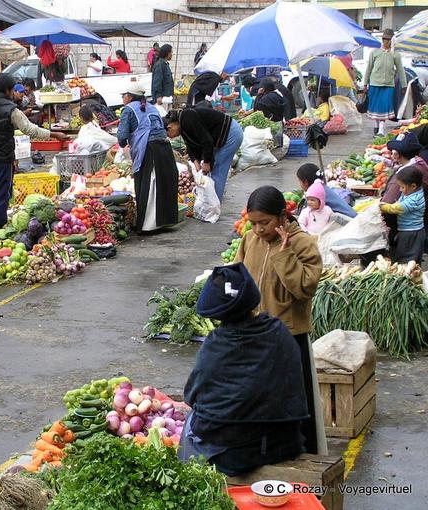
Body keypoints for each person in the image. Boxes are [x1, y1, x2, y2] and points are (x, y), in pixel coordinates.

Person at [179, 263, 308, 476]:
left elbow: (192, 396)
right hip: (283, 444)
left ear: (217, 315)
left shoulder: (215, 345)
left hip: (234, 456)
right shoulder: (279, 333)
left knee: (191, 424)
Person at [235, 186, 323, 454]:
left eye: (266, 222)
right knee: (257, 398)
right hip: (253, 332)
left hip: (288, 335)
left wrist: (284, 254)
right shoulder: (250, 240)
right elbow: (239, 276)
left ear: (283, 217)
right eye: (254, 223)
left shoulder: (302, 244)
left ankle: (300, 455)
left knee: (291, 401)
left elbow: (304, 288)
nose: (259, 229)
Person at [0, 74, 67, 234]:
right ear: (7, 90)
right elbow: (30, 129)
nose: (14, 93)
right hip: (0, 160)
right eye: (13, 89)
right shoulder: (11, 110)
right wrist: (54, 134)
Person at [117, 83, 178, 232]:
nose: (123, 98)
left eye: (124, 95)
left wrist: (123, 143)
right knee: (164, 183)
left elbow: (122, 136)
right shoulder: (152, 107)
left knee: (150, 184)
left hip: (149, 150)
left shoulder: (128, 110)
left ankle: (148, 225)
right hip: (164, 148)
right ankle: (165, 221)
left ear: (129, 96)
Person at [164, 106, 243, 202]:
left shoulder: (187, 119)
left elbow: (207, 141)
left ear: (170, 127)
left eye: (168, 135)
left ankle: (214, 207)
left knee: (217, 171)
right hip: (220, 137)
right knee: (211, 172)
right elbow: (190, 144)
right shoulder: (183, 124)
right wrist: (196, 161)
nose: (171, 138)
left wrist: (206, 162)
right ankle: (209, 203)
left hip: (231, 134)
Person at [363, 29, 406, 136]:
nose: (385, 41)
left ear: (392, 40)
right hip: (374, 84)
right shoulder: (374, 52)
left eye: (388, 39)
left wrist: (404, 85)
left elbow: (401, 70)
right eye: (384, 39)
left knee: (384, 107)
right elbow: (369, 68)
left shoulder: (395, 55)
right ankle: (377, 126)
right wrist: (365, 83)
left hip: (388, 85)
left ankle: (381, 130)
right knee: (376, 107)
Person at [381, 166, 426, 264]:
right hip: (406, 231)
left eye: (402, 187)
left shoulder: (414, 200)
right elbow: (398, 202)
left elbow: (396, 208)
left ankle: (409, 273)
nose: (400, 190)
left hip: (412, 233)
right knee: (404, 254)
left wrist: (381, 206)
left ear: (413, 186)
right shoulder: (410, 192)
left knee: (408, 258)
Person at [151, 44, 174, 111]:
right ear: (167, 53)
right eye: (171, 52)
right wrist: (158, 96)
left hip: (167, 97)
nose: (172, 54)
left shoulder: (166, 64)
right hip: (162, 99)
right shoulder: (160, 65)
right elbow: (157, 81)